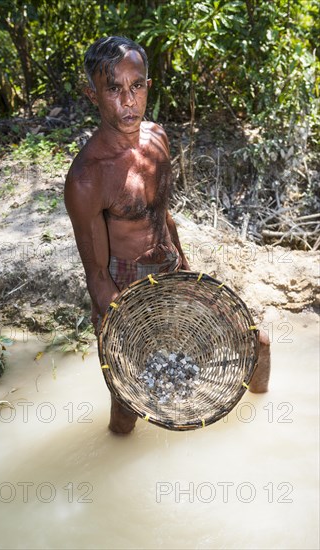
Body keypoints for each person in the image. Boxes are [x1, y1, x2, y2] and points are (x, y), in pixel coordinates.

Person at [64, 36, 270, 435]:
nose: (128, 101)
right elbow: (98, 278)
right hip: (124, 290)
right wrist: (134, 326)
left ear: (148, 87)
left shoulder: (157, 138)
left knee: (258, 342)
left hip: (172, 269)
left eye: (136, 86)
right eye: (114, 89)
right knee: (129, 409)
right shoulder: (88, 177)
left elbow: (162, 215)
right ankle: (117, 451)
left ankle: (261, 424)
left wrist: (189, 274)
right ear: (93, 94)